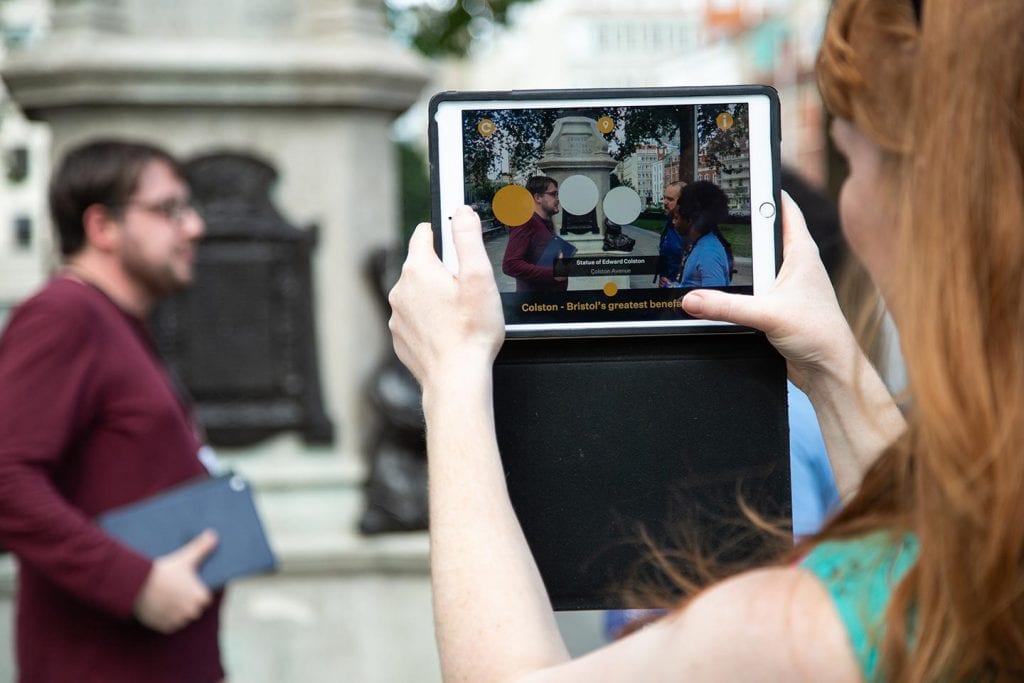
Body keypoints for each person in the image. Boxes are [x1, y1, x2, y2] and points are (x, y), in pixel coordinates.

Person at [388, 0, 1024, 679]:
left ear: (935, 191)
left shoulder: (791, 634)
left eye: (850, 160)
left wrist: (451, 380)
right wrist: (834, 366)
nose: (850, 201)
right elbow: (934, 551)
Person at [0, 140, 224, 682]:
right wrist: (135, 583)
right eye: (169, 210)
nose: (193, 227)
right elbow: (5, 478)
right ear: (102, 227)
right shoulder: (63, 315)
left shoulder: (114, 320)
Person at [501, 175, 568, 291]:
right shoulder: (526, 222)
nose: (557, 199)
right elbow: (510, 265)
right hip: (534, 302)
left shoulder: (544, 223)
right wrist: (553, 273)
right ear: (537, 198)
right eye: (553, 194)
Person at [671, 180, 734, 288]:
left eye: (676, 217)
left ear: (689, 219)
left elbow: (715, 300)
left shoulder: (709, 253)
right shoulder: (701, 244)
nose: (673, 222)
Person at [654, 180, 687, 286]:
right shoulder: (669, 223)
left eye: (670, 199)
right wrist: (663, 277)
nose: (664, 202)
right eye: (664, 198)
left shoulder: (689, 229)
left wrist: (676, 284)